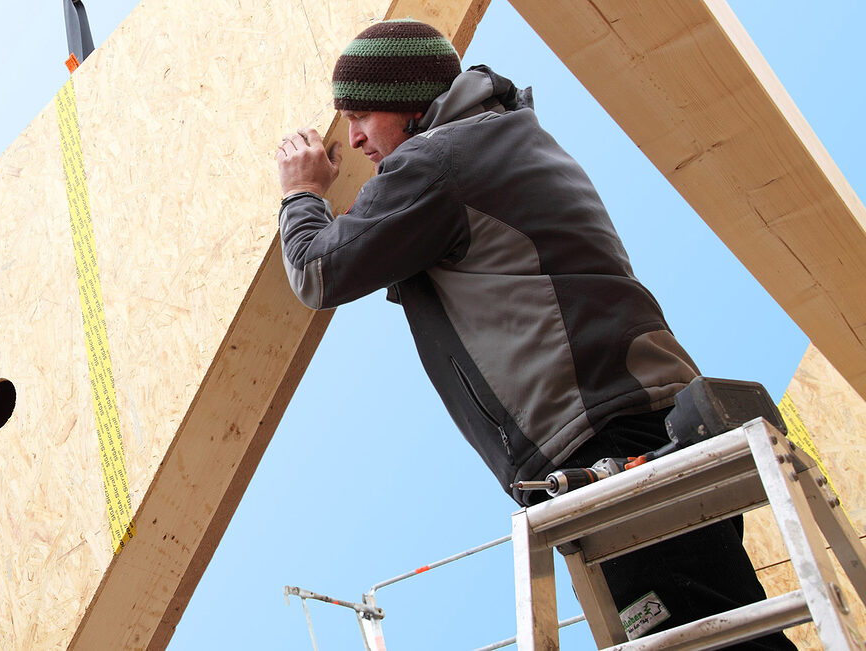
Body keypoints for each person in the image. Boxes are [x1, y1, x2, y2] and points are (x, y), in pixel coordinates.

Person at [274, 19, 793, 649]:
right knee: (718, 621)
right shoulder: (502, 139)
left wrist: (301, 194)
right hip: (641, 424)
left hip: (601, 436)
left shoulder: (438, 162)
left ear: (410, 103)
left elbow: (318, 272)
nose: (354, 138)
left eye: (361, 115)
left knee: (702, 637)